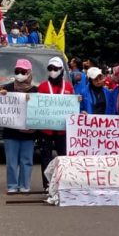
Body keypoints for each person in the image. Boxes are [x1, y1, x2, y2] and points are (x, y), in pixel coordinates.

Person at [0, 59, 39, 193]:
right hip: (11, 132)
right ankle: (12, 185)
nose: (20, 73)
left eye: (23, 71)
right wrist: (0, 94)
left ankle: (25, 185)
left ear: (29, 73)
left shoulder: (36, 91)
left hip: (29, 132)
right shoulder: (7, 88)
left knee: (26, 160)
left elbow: (40, 109)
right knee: (11, 161)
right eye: (17, 71)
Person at [38, 56, 74, 189]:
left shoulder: (69, 87)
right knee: (45, 157)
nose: (53, 71)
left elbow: (72, 107)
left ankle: (63, 182)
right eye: (50, 68)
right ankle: (47, 185)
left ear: (61, 70)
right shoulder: (42, 86)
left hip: (63, 129)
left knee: (63, 157)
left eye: (56, 69)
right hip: (46, 129)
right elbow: (37, 107)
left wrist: (77, 102)